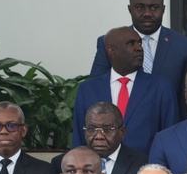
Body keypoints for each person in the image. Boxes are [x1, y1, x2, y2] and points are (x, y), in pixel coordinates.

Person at [73, 27, 179, 156]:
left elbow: (169, 137)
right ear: (112, 51)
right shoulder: (88, 89)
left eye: (139, 43)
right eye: (131, 43)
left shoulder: (161, 87)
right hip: (99, 166)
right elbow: (79, 138)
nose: (139, 48)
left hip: (145, 166)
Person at [90, 0, 187, 96]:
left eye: (154, 8)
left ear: (163, 9)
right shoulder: (109, 42)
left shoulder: (185, 46)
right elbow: (95, 87)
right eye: (140, 8)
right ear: (130, 10)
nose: (147, 13)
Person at [80, 101, 149, 174]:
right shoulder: (65, 164)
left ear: (122, 132)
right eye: (92, 129)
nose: (99, 136)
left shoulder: (142, 165)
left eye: (107, 129)